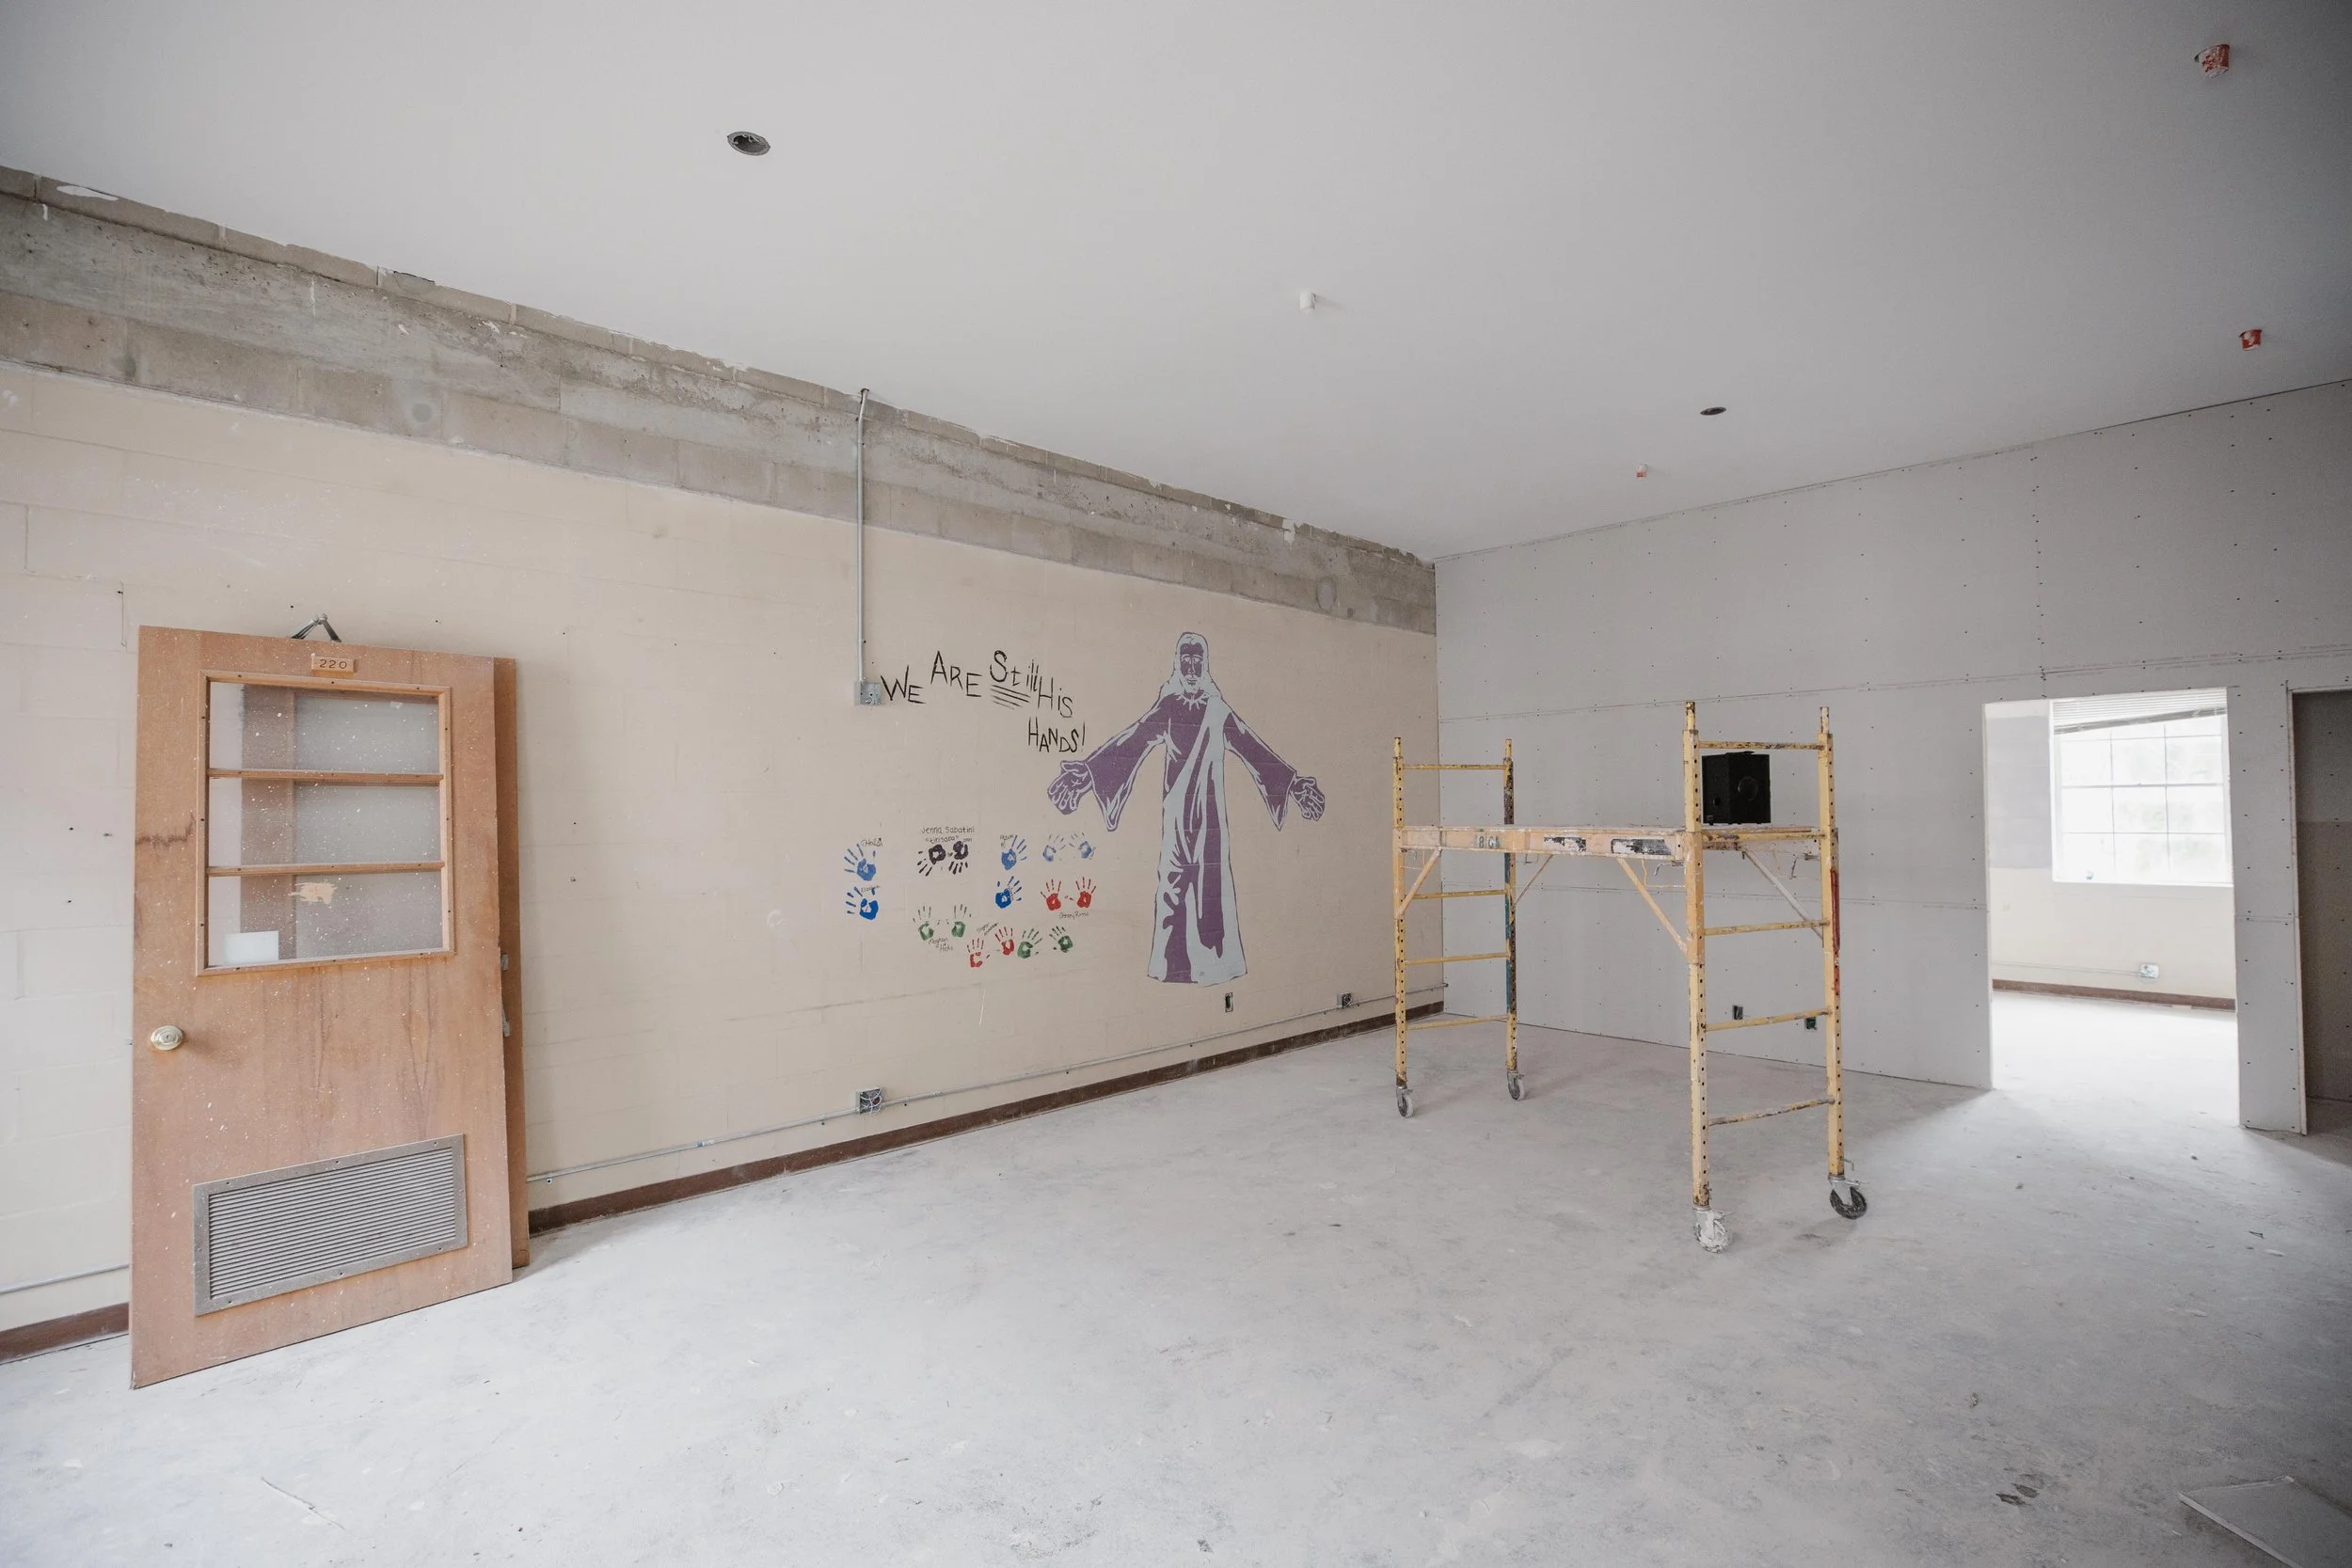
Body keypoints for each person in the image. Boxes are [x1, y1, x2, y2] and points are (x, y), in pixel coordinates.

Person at [1047, 632, 1324, 984]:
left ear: (1204, 664)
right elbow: (1133, 740)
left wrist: (1294, 784)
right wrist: (1087, 773)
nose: (1192, 665)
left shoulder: (1218, 710)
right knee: (1172, 885)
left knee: (1211, 891)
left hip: (1210, 821)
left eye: (1197, 658)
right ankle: (1170, 966)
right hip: (1177, 817)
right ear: (1178, 663)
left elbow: (1253, 748)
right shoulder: (1169, 707)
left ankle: (1216, 965)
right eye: (1186, 658)